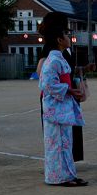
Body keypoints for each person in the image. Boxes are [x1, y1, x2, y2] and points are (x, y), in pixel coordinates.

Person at [36, 12, 91, 162]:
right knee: (57, 138)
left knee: (68, 135)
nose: (68, 34)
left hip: (67, 96)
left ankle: (67, 163)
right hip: (57, 99)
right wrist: (65, 88)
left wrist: (83, 70)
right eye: (66, 31)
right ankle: (59, 165)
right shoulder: (50, 49)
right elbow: (41, 72)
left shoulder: (62, 50)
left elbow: (67, 71)